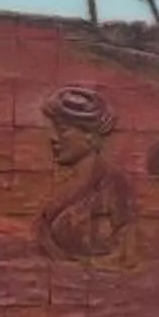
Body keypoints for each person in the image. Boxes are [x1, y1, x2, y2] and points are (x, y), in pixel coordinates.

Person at [37, 87, 141, 269]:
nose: (53, 138)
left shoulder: (114, 184)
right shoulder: (66, 186)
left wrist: (81, 267)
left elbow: (126, 255)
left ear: (90, 135)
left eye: (62, 129)